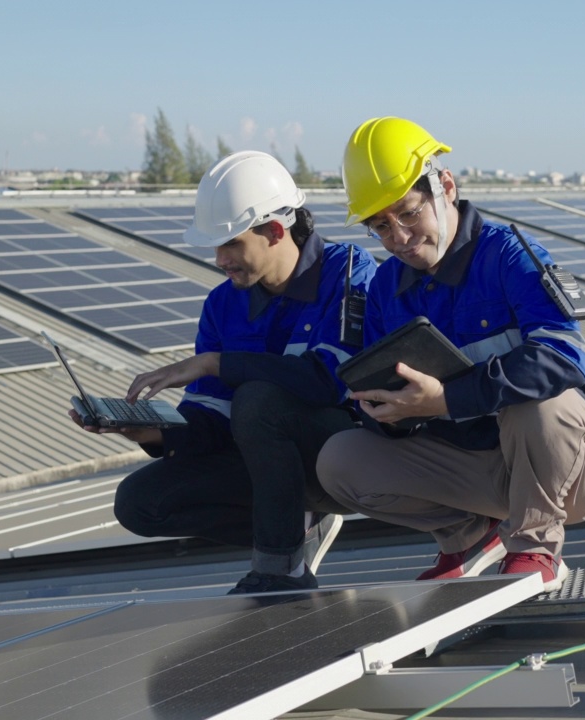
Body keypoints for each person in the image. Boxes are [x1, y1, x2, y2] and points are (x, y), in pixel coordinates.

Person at [316, 117, 585, 592]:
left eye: (407, 214)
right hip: (480, 467)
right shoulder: (385, 288)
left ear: (445, 185)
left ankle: (534, 546)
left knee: (537, 402)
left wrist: (447, 399)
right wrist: (389, 412)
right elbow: (380, 403)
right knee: (339, 460)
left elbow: (563, 360)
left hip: (572, 467)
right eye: (380, 226)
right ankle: (468, 536)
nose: (398, 237)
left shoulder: (508, 256)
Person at [71, 151, 377, 594]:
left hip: (335, 458)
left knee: (259, 398)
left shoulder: (348, 272)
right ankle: (298, 527)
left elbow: (327, 381)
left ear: (275, 231)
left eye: (231, 243)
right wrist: (153, 434)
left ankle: (279, 569)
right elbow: (212, 420)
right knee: (139, 503)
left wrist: (217, 362)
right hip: (268, 462)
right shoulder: (223, 303)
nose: (219, 260)